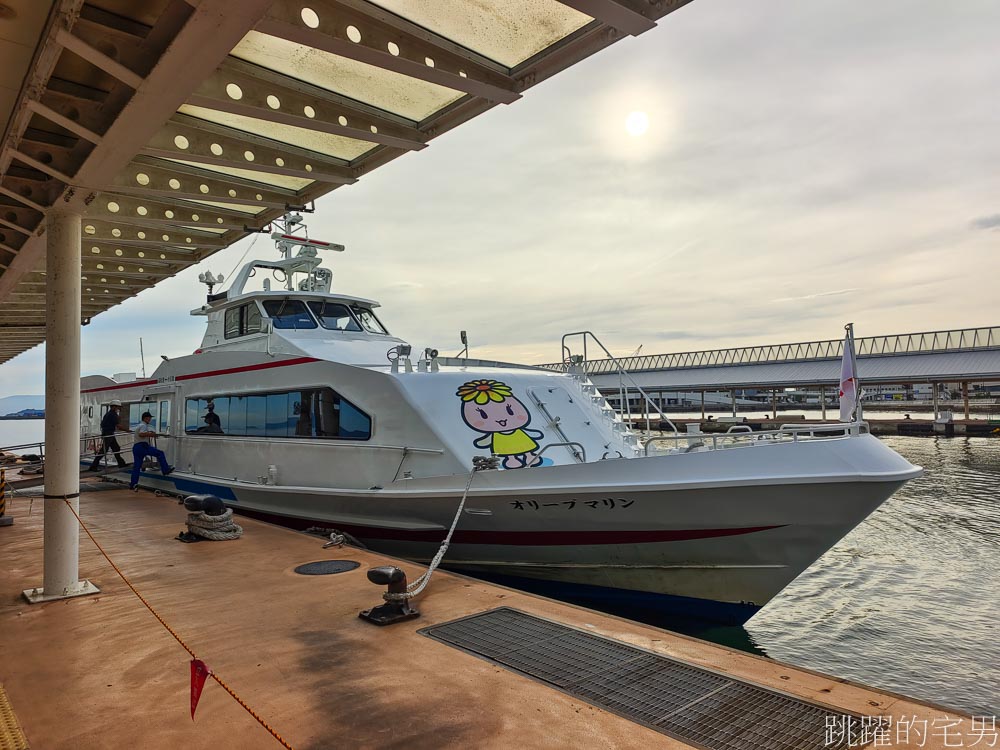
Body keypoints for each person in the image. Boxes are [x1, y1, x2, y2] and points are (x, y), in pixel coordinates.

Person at [130, 411, 173, 489]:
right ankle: (165, 470)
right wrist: (151, 434)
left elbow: (140, 433)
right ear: (145, 418)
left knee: (137, 467)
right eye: (149, 418)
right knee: (160, 453)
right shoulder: (144, 425)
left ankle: (133, 484)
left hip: (136, 447)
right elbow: (141, 434)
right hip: (143, 446)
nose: (150, 419)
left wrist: (149, 432)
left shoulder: (139, 425)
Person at [89, 400, 128, 471]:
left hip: (108, 434)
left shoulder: (108, 414)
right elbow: (118, 426)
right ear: (114, 407)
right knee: (103, 450)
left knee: (116, 448)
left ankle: (121, 463)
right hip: (108, 434)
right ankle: (93, 466)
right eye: (118, 407)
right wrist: (128, 430)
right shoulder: (113, 415)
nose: (119, 409)